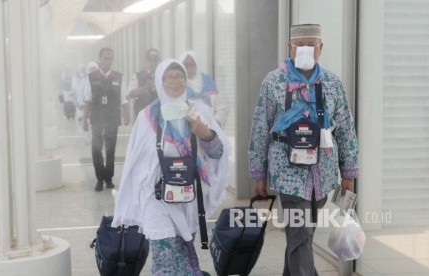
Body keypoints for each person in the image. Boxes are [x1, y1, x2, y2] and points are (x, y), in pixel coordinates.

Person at [248, 24, 359, 276]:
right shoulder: (273, 81)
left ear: (321, 49)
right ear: (290, 48)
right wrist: (258, 174)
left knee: (302, 237)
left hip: (323, 173)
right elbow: (259, 129)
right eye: (301, 45)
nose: (307, 50)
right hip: (288, 174)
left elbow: (345, 129)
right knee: (300, 235)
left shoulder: (332, 82)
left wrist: (349, 173)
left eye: (312, 45)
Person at [112, 59, 231, 275]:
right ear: (160, 81)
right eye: (170, 76)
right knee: (164, 253)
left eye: (180, 76)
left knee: (183, 252)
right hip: (156, 197)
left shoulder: (198, 112)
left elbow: (218, 153)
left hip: (188, 196)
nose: (176, 81)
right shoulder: (147, 117)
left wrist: (206, 134)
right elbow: (135, 161)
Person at [83, 47, 130, 191]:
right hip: (97, 117)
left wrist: (126, 113)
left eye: (110, 59)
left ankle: (108, 178)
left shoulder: (118, 77)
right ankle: (99, 179)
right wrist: (85, 119)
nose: (108, 62)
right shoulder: (91, 78)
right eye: (105, 59)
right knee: (96, 149)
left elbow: (124, 99)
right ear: (100, 59)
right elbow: (88, 100)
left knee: (110, 149)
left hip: (112, 118)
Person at [180, 50, 227, 127]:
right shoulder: (177, 85)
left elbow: (221, 108)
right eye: (186, 65)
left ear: (197, 65)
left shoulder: (208, 83)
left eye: (192, 65)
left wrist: (216, 122)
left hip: (210, 131)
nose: (189, 69)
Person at [127, 48, 161, 119]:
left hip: (160, 115)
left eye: (155, 60)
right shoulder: (138, 76)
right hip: (142, 115)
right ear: (145, 61)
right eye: (150, 60)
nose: (153, 63)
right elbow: (130, 94)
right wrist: (144, 88)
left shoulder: (163, 75)